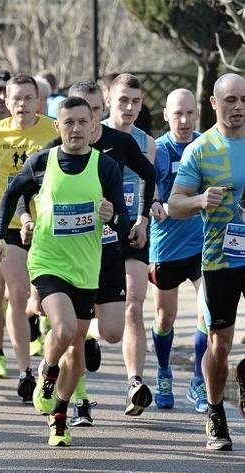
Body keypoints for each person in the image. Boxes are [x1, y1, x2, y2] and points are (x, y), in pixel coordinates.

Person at [0, 96, 125, 446]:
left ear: (93, 126)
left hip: (86, 267)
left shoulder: (106, 167)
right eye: (70, 122)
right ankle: (47, 373)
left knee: (76, 346)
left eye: (83, 122)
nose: (77, 129)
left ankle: (60, 414)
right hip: (48, 261)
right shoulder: (42, 162)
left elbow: (123, 219)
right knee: (63, 328)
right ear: (58, 126)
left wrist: (114, 217)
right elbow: (10, 194)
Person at [38, 80, 156, 426]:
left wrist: (141, 219)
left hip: (108, 246)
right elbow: (30, 188)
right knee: (71, 334)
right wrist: (30, 221)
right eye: (76, 116)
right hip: (69, 253)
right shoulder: (54, 149)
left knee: (113, 332)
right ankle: (71, 403)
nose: (83, 123)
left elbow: (149, 174)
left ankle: (85, 335)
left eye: (91, 114)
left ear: (99, 114)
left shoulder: (120, 143)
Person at [169, 72, 245, 452]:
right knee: (220, 344)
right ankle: (215, 412)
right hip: (220, 259)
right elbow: (174, 203)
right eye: (230, 100)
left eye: (244, 99)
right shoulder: (200, 149)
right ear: (214, 104)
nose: (238, 107)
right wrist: (200, 200)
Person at [0, 74, 56, 399]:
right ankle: (24, 370)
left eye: (28, 98)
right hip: (8, 225)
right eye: (16, 99)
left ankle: (51, 360)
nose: (22, 104)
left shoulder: (53, 129)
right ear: (5, 102)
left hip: (50, 225)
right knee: (18, 292)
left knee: (45, 298)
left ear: (39, 101)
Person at [149, 89, 207, 412]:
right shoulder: (157, 152)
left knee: (207, 313)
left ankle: (198, 380)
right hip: (166, 247)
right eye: (177, 114)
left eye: (189, 113)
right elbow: (149, 194)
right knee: (164, 317)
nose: (184, 121)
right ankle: (163, 371)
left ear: (197, 113)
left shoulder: (205, 146)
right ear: (166, 116)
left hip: (201, 245)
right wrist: (156, 204)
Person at [103, 74, 157, 416]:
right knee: (99, 313)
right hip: (95, 231)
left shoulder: (145, 142)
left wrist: (144, 218)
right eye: (123, 100)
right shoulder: (95, 133)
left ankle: (135, 382)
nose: (129, 107)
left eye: (136, 101)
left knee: (134, 304)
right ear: (109, 98)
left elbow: (147, 183)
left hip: (132, 229)